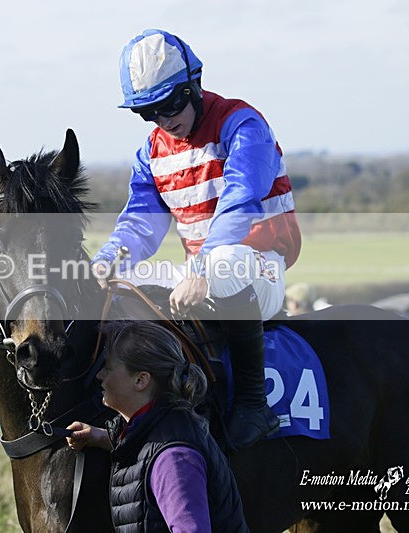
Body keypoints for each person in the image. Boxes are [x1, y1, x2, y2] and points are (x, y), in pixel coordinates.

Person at [92, 29, 302, 450]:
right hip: (200, 271)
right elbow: (141, 221)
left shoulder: (242, 125)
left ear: (193, 86)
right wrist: (109, 258)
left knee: (223, 267)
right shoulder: (151, 152)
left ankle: (253, 404)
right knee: (126, 287)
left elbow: (240, 202)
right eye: (148, 111)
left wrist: (204, 268)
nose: (163, 119)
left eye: (169, 103)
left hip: (259, 264)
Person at [67, 321, 249, 532]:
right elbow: (148, 448)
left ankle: (254, 405)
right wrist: (100, 437)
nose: (100, 375)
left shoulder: (174, 458)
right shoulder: (161, 425)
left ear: (141, 380)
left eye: (107, 367)